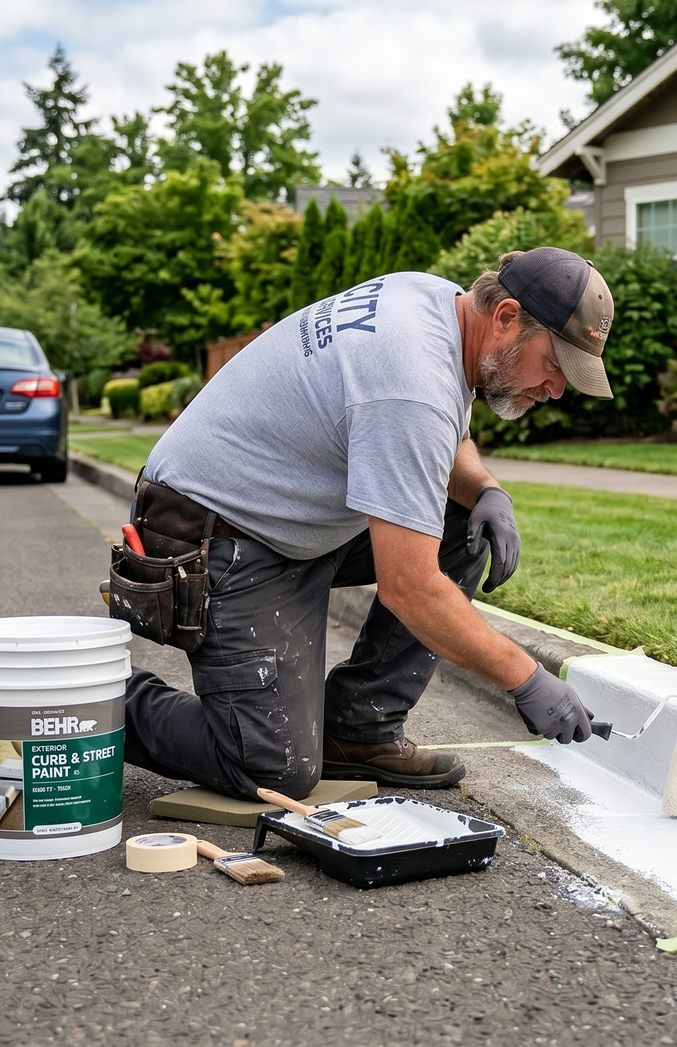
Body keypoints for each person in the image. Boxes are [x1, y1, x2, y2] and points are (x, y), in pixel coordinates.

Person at [120, 247, 614, 800]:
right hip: (209, 538)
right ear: (505, 318)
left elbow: (438, 434)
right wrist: (525, 679)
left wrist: (485, 490)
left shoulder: (432, 299)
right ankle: (97, 701)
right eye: (554, 366)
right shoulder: (410, 380)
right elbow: (410, 586)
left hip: (276, 519)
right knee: (270, 769)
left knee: (464, 522)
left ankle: (358, 730)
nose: (556, 390)